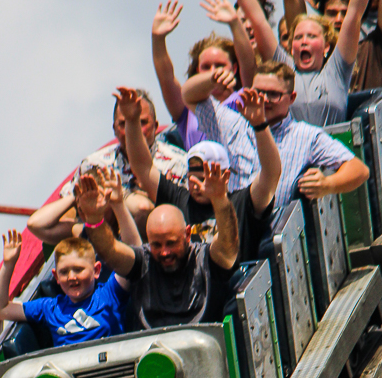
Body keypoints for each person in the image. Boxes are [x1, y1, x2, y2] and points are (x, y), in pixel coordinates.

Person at [219, 0, 382, 126]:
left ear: (326, 46)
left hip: (330, 151)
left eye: (311, 36)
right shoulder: (284, 68)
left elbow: (353, 14)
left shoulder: (337, 70)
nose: (304, 41)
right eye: (298, 37)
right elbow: (258, 20)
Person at [114, 86, 280, 260]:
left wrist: (260, 125)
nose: (199, 185)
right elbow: (143, 167)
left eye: (206, 177)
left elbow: (271, 174)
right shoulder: (179, 199)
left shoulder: (243, 202)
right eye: (193, 178)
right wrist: (132, 120)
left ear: (226, 177)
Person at [75, 162, 239, 330]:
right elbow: (111, 251)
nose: (164, 252)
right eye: (156, 245)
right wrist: (94, 220)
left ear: (187, 235)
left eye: (171, 243)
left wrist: (220, 201)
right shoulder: (143, 262)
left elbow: (228, 246)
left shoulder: (205, 259)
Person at [183, 60, 369, 204]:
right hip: (231, 228)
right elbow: (189, 96)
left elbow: (359, 170)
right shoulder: (230, 123)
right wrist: (212, 79)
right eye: (259, 92)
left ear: (291, 98)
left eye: (273, 94)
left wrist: (328, 184)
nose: (264, 99)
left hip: (274, 232)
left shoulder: (307, 135)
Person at [60, 88, 187, 235]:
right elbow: (67, 210)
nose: (132, 129)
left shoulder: (179, 163)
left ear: (156, 126)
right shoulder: (95, 164)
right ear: (113, 128)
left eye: (142, 122)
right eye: (123, 123)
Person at [0, 233, 130, 346]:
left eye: (78, 270)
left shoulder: (110, 293)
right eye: (64, 272)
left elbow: (133, 254)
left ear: (96, 270)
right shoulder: (50, 308)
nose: (71, 277)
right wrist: (8, 264)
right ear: (56, 276)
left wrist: (119, 205)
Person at [151, 0, 255, 151]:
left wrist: (235, 24)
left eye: (220, 65)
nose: (214, 71)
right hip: (199, 174)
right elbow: (166, 78)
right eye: (206, 67)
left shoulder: (245, 99)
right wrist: (157, 39)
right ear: (197, 71)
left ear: (234, 69)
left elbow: (249, 65)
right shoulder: (187, 109)